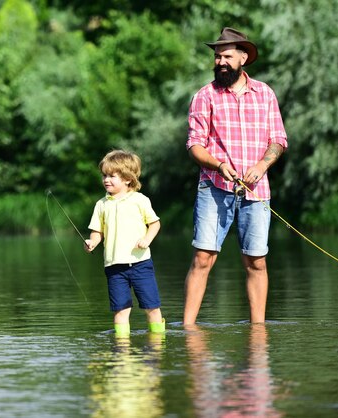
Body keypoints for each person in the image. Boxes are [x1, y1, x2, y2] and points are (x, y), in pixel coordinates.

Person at [183, 28, 288, 324]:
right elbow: (194, 145)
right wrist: (218, 166)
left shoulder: (265, 94)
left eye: (227, 56)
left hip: (257, 192)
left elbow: (279, 139)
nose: (220, 62)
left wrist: (262, 166)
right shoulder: (204, 96)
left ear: (243, 57)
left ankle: (258, 329)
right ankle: (188, 328)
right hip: (214, 187)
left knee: (256, 261)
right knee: (203, 258)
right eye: (217, 56)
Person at [84, 150, 165, 337]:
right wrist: (92, 242)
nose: (106, 179)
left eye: (112, 176)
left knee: (151, 306)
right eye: (104, 175)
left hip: (141, 264)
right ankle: (121, 348)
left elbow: (155, 223)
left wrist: (146, 239)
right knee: (120, 310)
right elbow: (97, 231)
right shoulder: (101, 204)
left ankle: (158, 342)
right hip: (114, 267)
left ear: (128, 179)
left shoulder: (140, 200)